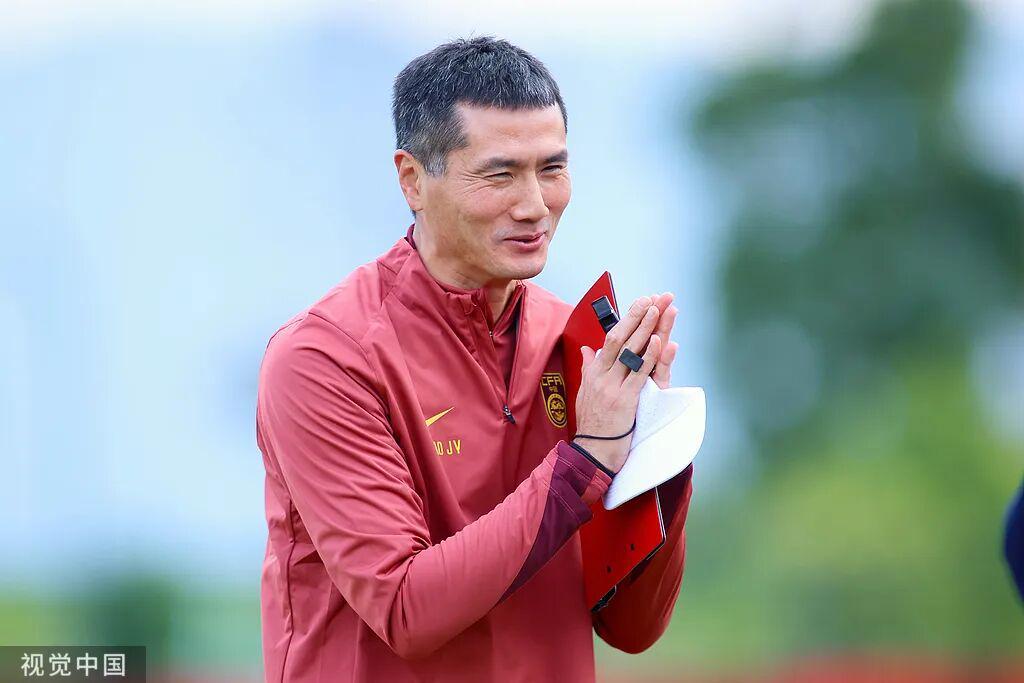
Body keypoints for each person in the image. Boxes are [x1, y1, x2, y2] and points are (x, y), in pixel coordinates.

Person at [256, 37, 694, 682]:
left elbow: (633, 627)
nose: (534, 204)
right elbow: (405, 609)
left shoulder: (573, 342)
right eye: (500, 174)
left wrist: (653, 450)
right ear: (413, 180)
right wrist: (588, 458)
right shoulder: (326, 358)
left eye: (552, 168)